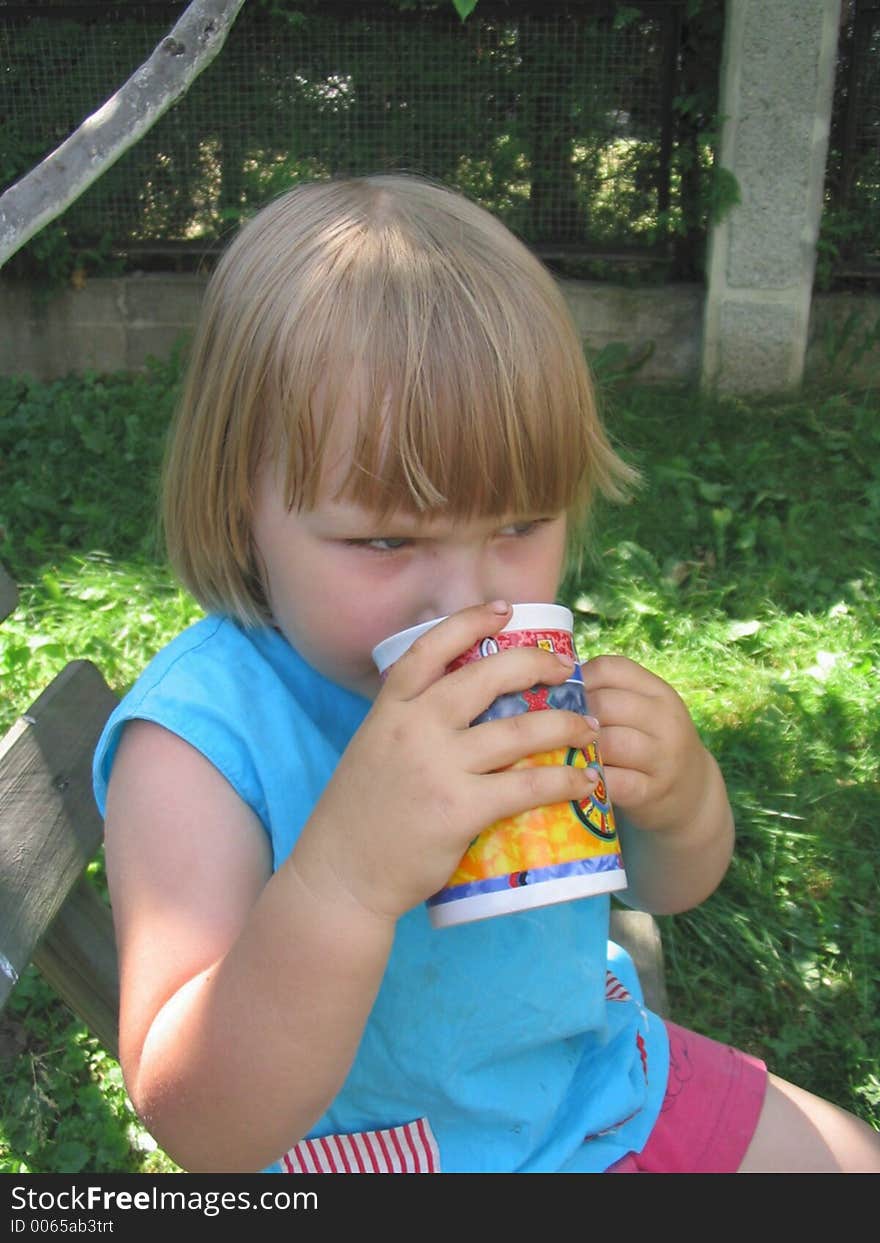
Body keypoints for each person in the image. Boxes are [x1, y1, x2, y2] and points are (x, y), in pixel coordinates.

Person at [92, 173, 880, 1175]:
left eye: (517, 526)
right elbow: (201, 1125)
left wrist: (680, 804)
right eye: (382, 540)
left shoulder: (533, 689)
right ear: (237, 506)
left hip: (599, 1088)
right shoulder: (200, 745)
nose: (463, 597)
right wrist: (344, 879)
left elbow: (666, 886)